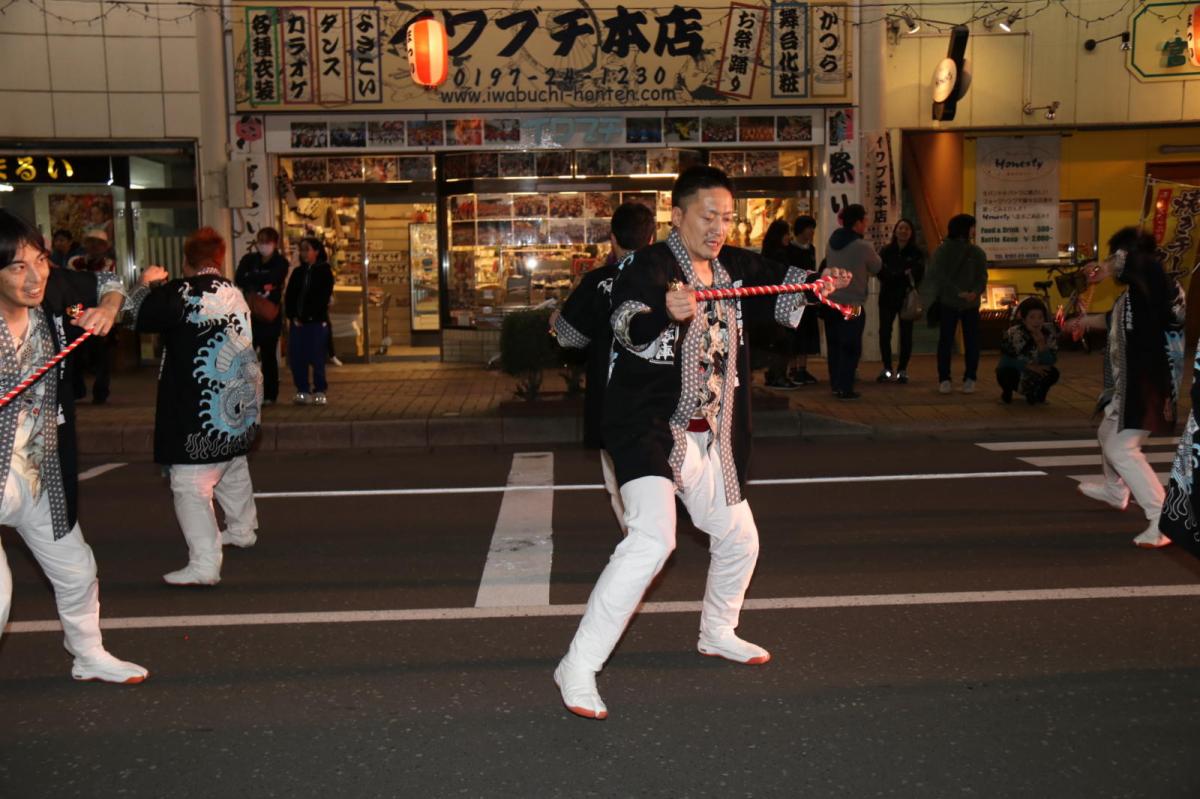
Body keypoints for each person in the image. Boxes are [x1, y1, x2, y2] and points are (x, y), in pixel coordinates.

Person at [552, 166, 850, 720]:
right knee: (652, 541)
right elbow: (627, 323)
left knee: (740, 538)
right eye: (708, 216)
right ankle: (578, 665)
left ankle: (717, 631)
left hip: (706, 432)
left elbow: (788, 282)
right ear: (678, 215)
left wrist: (819, 287)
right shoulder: (647, 265)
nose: (719, 227)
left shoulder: (734, 265)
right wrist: (664, 312)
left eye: (727, 217)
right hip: (644, 425)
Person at [0, 209, 148, 684]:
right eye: (17, 267)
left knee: (77, 569)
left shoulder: (56, 288)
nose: (34, 277)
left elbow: (113, 280)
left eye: (39, 260)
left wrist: (108, 306)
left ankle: (88, 654)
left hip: (39, 471)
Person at [126, 228, 262, 585]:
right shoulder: (234, 292)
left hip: (199, 408)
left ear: (186, 262)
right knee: (232, 463)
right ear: (218, 260)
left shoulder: (182, 293)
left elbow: (131, 316)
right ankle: (243, 528)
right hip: (237, 401)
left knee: (190, 483)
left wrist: (145, 282)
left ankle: (204, 564)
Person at [1069, 227, 1186, 549]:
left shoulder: (1158, 282)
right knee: (1108, 435)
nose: (1108, 263)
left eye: (1114, 255)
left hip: (1147, 383)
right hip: (1131, 382)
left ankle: (1162, 519)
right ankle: (1116, 489)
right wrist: (1084, 322)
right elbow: (1117, 320)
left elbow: (1142, 273)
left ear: (1127, 256)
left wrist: (1109, 267)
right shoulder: (1138, 292)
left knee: (1122, 449)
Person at [552, 203, 657, 533]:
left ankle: (637, 540)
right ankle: (651, 534)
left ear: (613, 239)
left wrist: (555, 320)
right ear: (652, 237)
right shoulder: (669, 281)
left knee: (618, 482)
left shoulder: (598, 282)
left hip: (610, 398)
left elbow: (569, 338)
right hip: (659, 399)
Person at [920, 213, 988, 395]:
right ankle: (968, 378)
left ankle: (946, 379)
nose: (974, 230)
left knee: (947, 341)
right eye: (972, 227)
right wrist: (971, 292)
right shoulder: (973, 252)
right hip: (963, 304)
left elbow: (938, 276)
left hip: (954, 302)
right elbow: (982, 277)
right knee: (969, 341)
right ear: (965, 229)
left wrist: (965, 292)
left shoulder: (945, 251)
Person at [822, 204, 881, 400]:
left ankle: (835, 384)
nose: (866, 225)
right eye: (864, 221)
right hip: (853, 304)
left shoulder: (831, 241)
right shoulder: (863, 247)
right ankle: (845, 386)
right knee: (851, 345)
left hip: (830, 303)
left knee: (834, 345)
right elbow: (877, 266)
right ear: (857, 223)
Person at [235, 227, 289, 405]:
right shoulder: (249, 259)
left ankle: (270, 394)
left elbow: (275, 278)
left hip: (269, 315)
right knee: (246, 356)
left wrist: (255, 279)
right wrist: (262, 282)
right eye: (260, 241)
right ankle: (246, 393)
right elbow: (239, 278)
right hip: (249, 315)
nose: (263, 245)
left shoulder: (280, 262)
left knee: (268, 356)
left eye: (267, 242)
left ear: (275, 243)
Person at [68, 228, 117, 404]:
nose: (95, 246)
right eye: (91, 242)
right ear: (85, 243)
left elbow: (107, 284)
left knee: (102, 353)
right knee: (74, 351)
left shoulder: (109, 263)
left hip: (99, 310)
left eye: (99, 243)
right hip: (77, 309)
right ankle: (76, 390)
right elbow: (70, 287)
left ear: (105, 247)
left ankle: (100, 393)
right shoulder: (75, 261)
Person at [284, 237, 334, 405]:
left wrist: (307, 316)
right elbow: (289, 296)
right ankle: (302, 389)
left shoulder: (324, 271)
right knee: (298, 357)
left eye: (308, 249)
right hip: (298, 323)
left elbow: (322, 298)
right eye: (302, 250)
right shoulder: (298, 272)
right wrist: (293, 316)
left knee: (317, 357)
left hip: (316, 322)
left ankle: (320, 389)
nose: (304, 253)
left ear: (317, 251)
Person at [876, 218, 925, 383]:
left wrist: (896, 275)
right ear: (895, 231)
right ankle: (887, 368)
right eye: (901, 228)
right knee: (884, 333)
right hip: (887, 297)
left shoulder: (916, 252)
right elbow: (881, 273)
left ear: (911, 233)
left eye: (907, 229)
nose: (903, 231)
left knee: (906, 334)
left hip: (906, 298)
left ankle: (902, 369)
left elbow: (918, 274)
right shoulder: (886, 251)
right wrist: (902, 274)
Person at [759, 220, 799, 390]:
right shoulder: (780, 255)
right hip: (781, 301)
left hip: (769, 302)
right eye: (786, 233)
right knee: (784, 341)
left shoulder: (767, 252)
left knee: (776, 340)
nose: (788, 237)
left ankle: (773, 374)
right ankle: (778, 376)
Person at [996, 297, 1059, 405]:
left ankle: (1038, 395)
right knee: (1003, 371)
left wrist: (1041, 345)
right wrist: (1027, 366)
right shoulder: (1013, 333)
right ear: (1024, 319)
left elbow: (1050, 361)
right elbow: (1005, 361)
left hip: (1037, 372)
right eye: (1032, 317)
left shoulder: (1048, 333)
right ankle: (1007, 394)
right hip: (1018, 370)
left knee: (1053, 373)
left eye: (1040, 317)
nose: (1037, 321)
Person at [785, 215, 821, 386]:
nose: (812, 232)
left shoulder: (811, 249)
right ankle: (792, 368)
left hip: (808, 296)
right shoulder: (789, 250)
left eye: (813, 228)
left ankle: (802, 368)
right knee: (794, 332)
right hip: (793, 296)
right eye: (809, 228)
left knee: (807, 332)